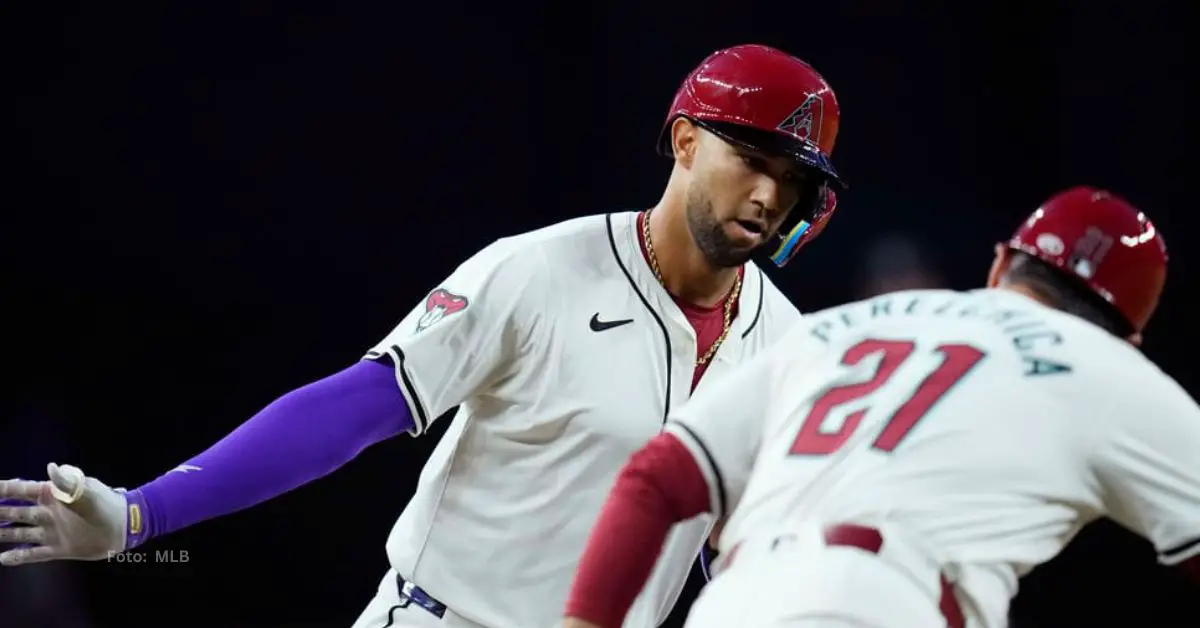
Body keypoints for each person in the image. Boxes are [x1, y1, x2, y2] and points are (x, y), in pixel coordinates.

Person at [0, 44, 847, 628]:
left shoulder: (787, 343)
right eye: (754, 160)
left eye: (793, 179)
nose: (770, 195)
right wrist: (142, 514)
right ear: (686, 142)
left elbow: (753, 538)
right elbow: (355, 408)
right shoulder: (538, 272)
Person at [561, 186, 1200, 628]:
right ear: (1129, 337)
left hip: (735, 601)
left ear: (1001, 266)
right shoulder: (1104, 365)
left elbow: (657, 477)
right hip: (887, 603)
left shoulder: (840, 328)